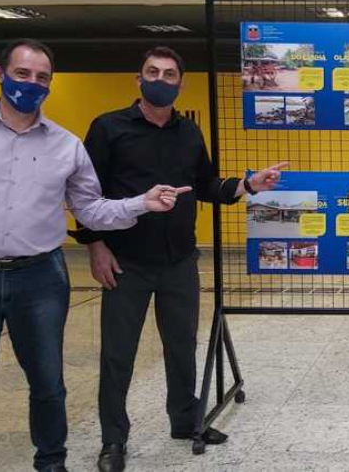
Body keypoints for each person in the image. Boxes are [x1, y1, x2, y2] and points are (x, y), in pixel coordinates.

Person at [0, 39, 190, 472]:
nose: (32, 84)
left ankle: (51, 463)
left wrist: (140, 204)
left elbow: (90, 208)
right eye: (22, 74)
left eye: (41, 78)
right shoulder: (106, 128)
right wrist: (98, 248)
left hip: (40, 276)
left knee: (48, 384)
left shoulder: (66, 145)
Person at [72, 46, 286, 472]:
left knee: (182, 346)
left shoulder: (188, 132)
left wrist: (248, 185)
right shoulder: (108, 128)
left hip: (179, 262)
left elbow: (205, 185)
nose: (160, 80)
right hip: (125, 262)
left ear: (180, 83)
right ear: (138, 79)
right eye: (152, 72)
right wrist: (95, 246)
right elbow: (84, 195)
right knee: (118, 354)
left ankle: (185, 421)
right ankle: (113, 439)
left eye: (169, 74)